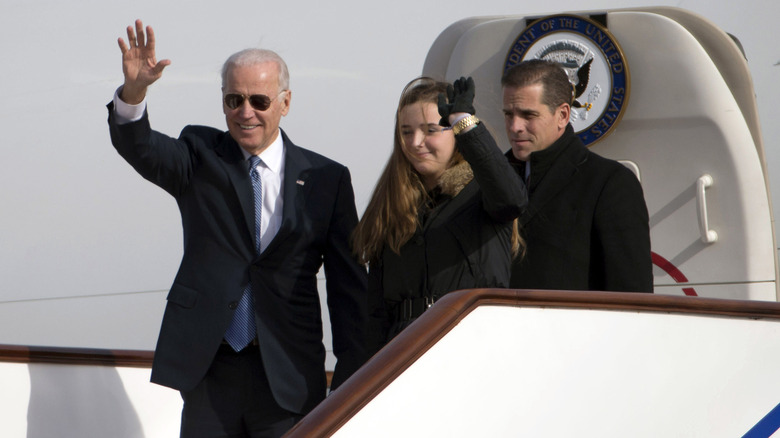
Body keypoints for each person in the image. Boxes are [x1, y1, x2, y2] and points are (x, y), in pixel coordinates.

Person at [107, 20, 368, 437]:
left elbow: (348, 289)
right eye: (234, 100)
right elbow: (140, 148)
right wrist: (134, 94)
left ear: (286, 102)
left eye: (259, 101)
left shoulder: (326, 178)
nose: (246, 113)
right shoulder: (199, 154)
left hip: (289, 376)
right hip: (210, 370)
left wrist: (351, 380)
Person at [353, 77, 528, 353]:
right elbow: (376, 311)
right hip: (404, 351)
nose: (416, 142)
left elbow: (512, 200)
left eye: (430, 130)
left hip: (473, 344)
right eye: (406, 132)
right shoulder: (391, 203)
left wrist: (464, 122)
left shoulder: (483, 191)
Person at [501, 59, 653, 292]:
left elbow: (632, 294)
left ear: (562, 115)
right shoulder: (490, 179)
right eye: (508, 115)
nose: (515, 126)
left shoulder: (609, 182)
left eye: (528, 115)